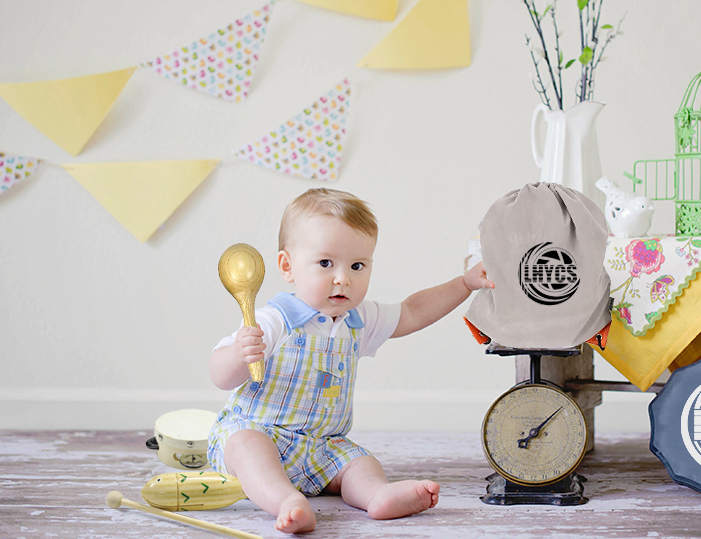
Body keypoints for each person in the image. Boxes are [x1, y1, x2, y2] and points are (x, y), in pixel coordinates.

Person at [207, 188, 493, 533]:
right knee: (246, 447)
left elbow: (413, 312)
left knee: (358, 462)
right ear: (288, 266)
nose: (343, 277)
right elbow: (220, 376)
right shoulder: (273, 319)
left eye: (357, 265)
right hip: (261, 433)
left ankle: (377, 495)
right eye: (326, 263)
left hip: (321, 445)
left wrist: (464, 284)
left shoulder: (357, 320)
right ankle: (285, 500)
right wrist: (239, 355)